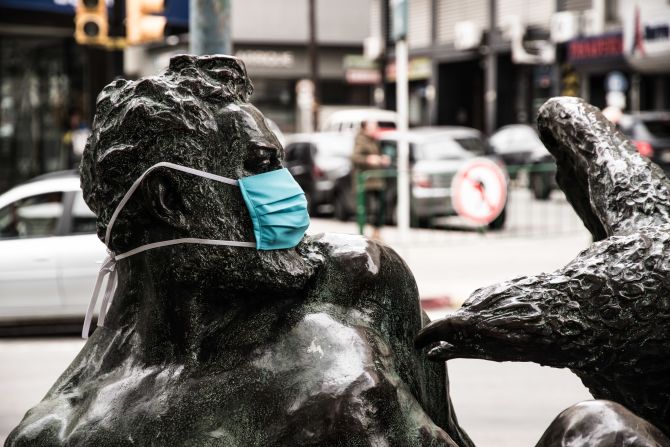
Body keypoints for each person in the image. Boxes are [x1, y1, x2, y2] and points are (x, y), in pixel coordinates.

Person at [351, 119, 390, 240]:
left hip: (376, 179)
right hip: (366, 180)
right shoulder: (360, 140)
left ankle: (376, 231)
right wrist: (368, 159)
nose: (376, 129)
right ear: (365, 128)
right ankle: (365, 234)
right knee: (367, 208)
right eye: (373, 127)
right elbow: (355, 157)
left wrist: (382, 159)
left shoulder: (375, 140)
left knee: (381, 206)